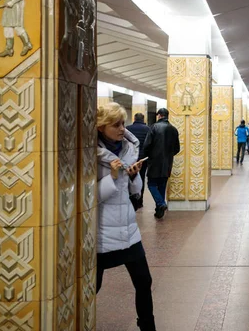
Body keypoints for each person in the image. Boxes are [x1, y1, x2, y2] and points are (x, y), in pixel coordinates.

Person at [96, 103, 156, 330]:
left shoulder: (128, 150)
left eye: (122, 123)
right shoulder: (87, 154)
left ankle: (148, 326)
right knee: (92, 286)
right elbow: (90, 198)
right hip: (101, 234)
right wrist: (112, 176)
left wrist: (133, 177)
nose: (122, 129)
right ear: (101, 127)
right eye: (116, 125)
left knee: (144, 281)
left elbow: (134, 192)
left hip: (128, 230)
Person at [143, 108, 180, 219]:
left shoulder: (154, 127)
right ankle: (159, 211)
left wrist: (149, 155)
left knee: (151, 184)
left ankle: (161, 204)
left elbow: (146, 145)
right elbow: (177, 148)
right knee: (162, 185)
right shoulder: (174, 129)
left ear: (159, 116)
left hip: (154, 162)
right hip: (167, 162)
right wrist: (169, 155)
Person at [126, 113, 151, 210]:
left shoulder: (128, 128)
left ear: (134, 118)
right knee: (140, 178)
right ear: (143, 119)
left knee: (130, 177)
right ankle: (139, 201)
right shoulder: (148, 129)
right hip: (142, 159)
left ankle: (130, 198)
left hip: (131, 157)